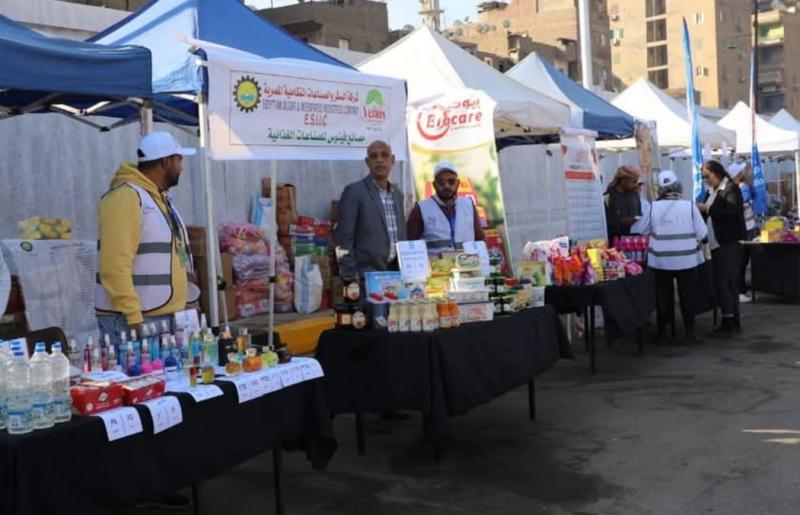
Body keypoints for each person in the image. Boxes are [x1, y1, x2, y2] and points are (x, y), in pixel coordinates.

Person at [96, 131, 200, 341]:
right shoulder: (126, 197)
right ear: (166, 162)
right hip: (136, 320)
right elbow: (114, 264)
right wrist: (133, 315)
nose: (182, 167)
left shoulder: (158, 198)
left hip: (163, 315)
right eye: (179, 160)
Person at [636, 171, 707, 344]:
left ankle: (663, 333)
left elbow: (641, 230)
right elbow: (703, 233)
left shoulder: (653, 207)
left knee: (664, 298)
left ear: (660, 189)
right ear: (679, 186)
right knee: (687, 296)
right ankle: (690, 334)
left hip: (661, 261)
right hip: (687, 260)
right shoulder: (689, 206)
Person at [334, 140, 407, 280]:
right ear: (368, 162)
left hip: (394, 276)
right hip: (365, 276)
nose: (379, 160)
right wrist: (350, 277)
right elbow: (343, 239)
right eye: (374, 156)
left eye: (384, 155)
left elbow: (401, 235)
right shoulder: (354, 192)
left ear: (392, 160)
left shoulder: (397, 194)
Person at [698, 160, 747, 337]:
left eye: (707, 176)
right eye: (704, 178)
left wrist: (707, 209)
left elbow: (733, 213)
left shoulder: (731, 189)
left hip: (728, 242)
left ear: (716, 172)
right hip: (717, 243)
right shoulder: (711, 191)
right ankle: (733, 320)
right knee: (727, 283)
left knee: (724, 283)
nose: (706, 180)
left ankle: (729, 322)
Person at [406, 161, 484, 255]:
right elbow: (410, 244)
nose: (446, 186)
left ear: (458, 183)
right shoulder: (421, 208)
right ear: (434, 185)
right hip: (435, 264)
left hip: (467, 263)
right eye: (441, 182)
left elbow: (480, 240)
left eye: (451, 181)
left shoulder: (468, 205)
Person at [729, 162, 758, 303]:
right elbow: (744, 199)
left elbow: (754, 195)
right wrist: (746, 186)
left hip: (749, 228)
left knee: (747, 261)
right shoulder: (737, 190)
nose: (746, 174)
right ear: (737, 175)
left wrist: (748, 184)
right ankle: (739, 291)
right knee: (741, 262)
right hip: (742, 231)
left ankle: (743, 289)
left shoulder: (744, 187)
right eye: (742, 172)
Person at [604, 165, 642, 241]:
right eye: (633, 182)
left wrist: (636, 219)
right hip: (613, 240)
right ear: (623, 180)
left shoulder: (634, 193)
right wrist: (622, 221)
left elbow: (639, 214)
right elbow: (605, 221)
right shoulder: (609, 196)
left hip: (632, 240)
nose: (636, 184)